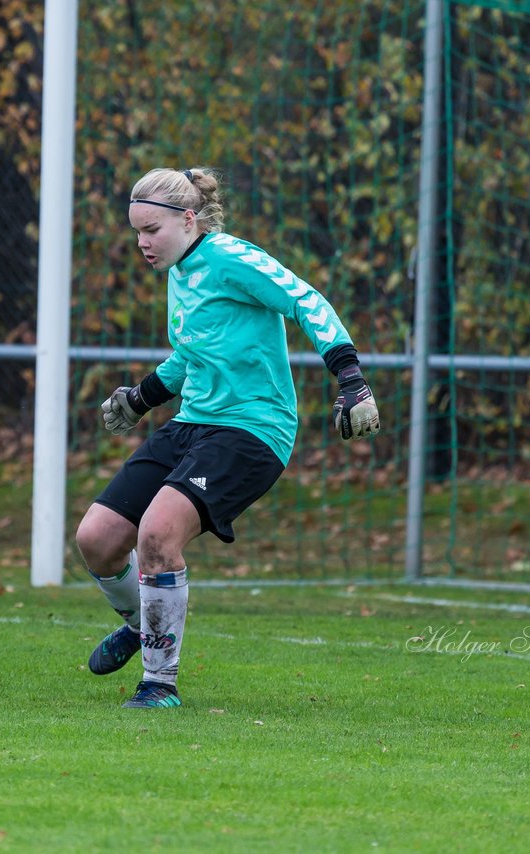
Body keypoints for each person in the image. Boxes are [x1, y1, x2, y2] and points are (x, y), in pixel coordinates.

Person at [74, 167, 381, 709]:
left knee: (157, 533)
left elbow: (305, 298)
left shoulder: (232, 259)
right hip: (195, 422)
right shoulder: (179, 270)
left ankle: (158, 686)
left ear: (188, 220)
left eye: (152, 230)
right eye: (136, 233)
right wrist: (141, 398)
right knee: (96, 539)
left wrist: (350, 377)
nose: (143, 243)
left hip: (252, 428)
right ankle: (142, 625)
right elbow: (192, 357)